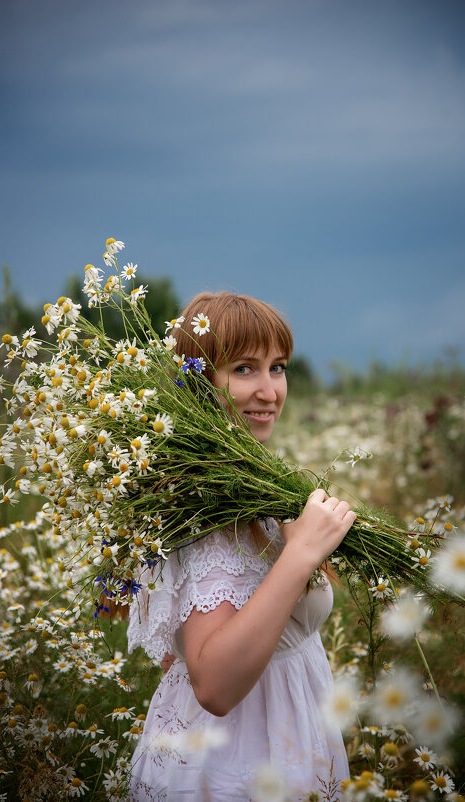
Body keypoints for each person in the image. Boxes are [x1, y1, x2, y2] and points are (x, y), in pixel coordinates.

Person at [128, 292, 356, 801]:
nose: (269, 390)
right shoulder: (204, 508)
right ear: (198, 379)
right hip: (237, 768)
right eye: (245, 369)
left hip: (287, 742)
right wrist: (299, 557)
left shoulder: (246, 486)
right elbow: (212, 686)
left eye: (278, 368)